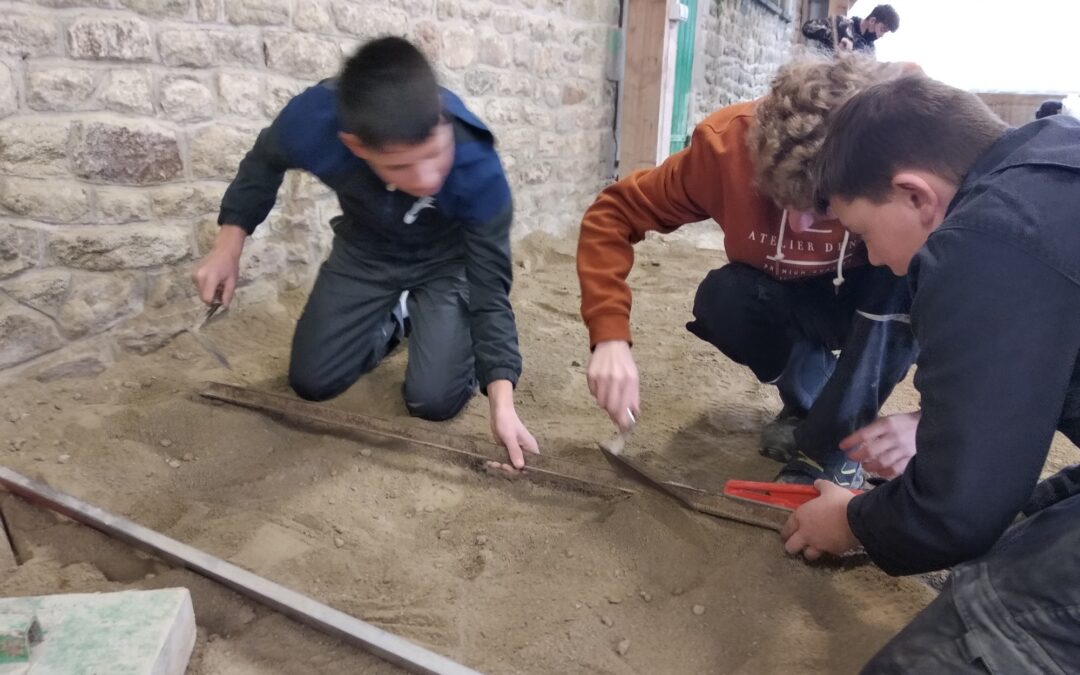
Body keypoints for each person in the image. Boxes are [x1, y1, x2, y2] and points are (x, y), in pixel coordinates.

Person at [783, 73, 1080, 672]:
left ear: (916, 195)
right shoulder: (1054, 157)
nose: (869, 258)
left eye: (863, 232)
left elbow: (954, 515)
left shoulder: (988, 238)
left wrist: (851, 520)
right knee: (1024, 526)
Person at [192, 37, 538, 470]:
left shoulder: (478, 169)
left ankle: (434, 318)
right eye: (401, 166)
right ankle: (398, 317)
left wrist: (501, 402)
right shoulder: (312, 119)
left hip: (448, 262)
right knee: (312, 381)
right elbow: (264, 161)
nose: (428, 178)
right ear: (355, 146)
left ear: (443, 121)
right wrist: (228, 245)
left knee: (432, 401)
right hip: (368, 248)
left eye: (434, 154)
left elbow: (490, 291)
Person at [576, 53, 917, 488]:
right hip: (786, 297)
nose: (799, 225)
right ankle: (817, 410)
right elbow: (614, 213)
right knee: (724, 298)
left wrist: (931, 423)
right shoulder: (726, 146)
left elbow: (973, 292)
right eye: (780, 199)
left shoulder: (901, 160)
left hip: (868, 299)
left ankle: (835, 442)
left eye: (822, 207)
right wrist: (609, 338)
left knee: (905, 273)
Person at [802, 4, 900, 54]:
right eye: (882, 29)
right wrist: (834, 37)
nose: (881, 35)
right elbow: (808, 28)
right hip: (817, 81)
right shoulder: (841, 23)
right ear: (872, 21)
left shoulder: (870, 52)